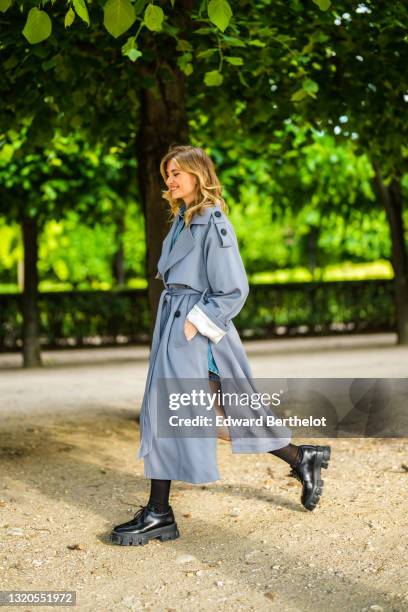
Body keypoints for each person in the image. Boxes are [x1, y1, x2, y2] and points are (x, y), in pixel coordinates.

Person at [111, 145, 331, 546]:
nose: (171, 180)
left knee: (169, 413)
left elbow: (234, 289)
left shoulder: (212, 221)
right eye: (167, 174)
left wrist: (195, 325)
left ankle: (159, 512)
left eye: (178, 172)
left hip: (194, 333)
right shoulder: (182, 218)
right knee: (208, 417)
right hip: (175, 324)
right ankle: (301, 458)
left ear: (198, 173)